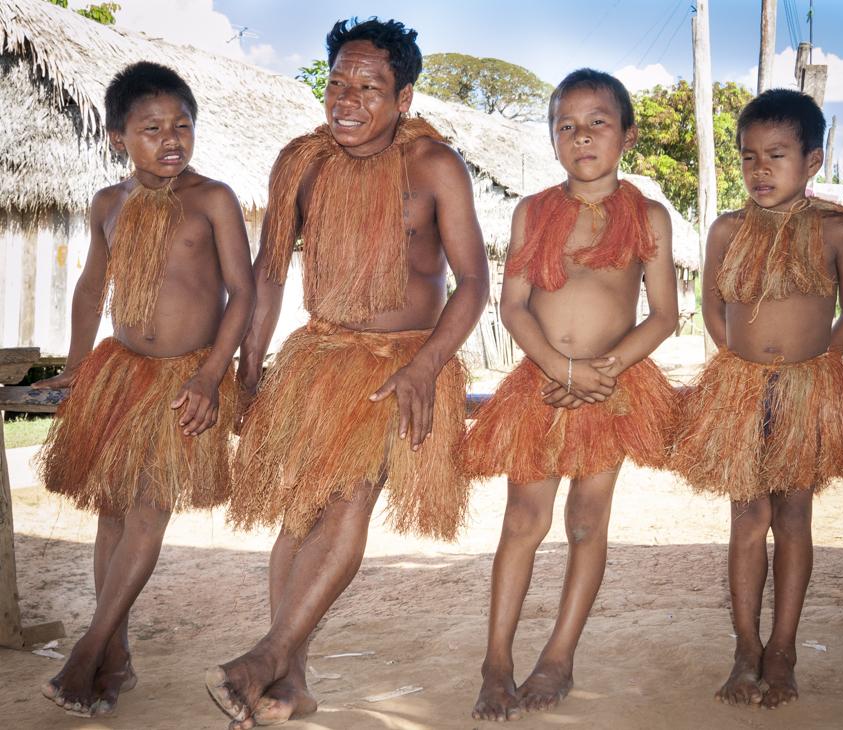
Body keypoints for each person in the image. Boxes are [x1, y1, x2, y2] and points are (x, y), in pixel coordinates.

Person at [205, 18, 488, 727]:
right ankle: (290, 680)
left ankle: (267, 657)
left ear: (405, 97)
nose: (348, 100)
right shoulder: (300, 163)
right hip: (317, 358)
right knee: (299, 517)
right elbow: (268, 279)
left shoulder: (434, 167)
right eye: (337, 83)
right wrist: (248, 368)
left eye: (369, 87)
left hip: (401, 365)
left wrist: (426, 368)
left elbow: (475, 283)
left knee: (349, 499)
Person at [35, 61, 254, 716]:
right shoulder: (107, 204)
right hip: (122, 373)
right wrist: (77, 368)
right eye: (152, 128)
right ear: (117, 138)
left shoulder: (212, 198)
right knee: (110, 511)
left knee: (149, 508)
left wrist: (213, 375)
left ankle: (89, 650)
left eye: (182, 126)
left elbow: (242, 293)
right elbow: (91, 289)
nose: (171, 140)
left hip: (188, 378)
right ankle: (118, 654)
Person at [670, 88, 843, 709]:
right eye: (747, 157)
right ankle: (745, 648)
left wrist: (824, 365)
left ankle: (783, 650)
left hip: (806, 390)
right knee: (748, 519)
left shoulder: (834, 229)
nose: (760, 169)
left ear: (814, 160)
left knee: (793, 518)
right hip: (741, 391)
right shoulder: (727, 229)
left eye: (776, 155)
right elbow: (712, 305)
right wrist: (736, 365)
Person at [463, 69, 678, 722]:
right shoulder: (534, 211)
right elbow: (514, 304)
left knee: (588, 522)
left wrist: (600, 371)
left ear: (628, 135)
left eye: (597, 123)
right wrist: (560, 366)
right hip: (542, 382)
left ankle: (559, 654)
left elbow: (663, 315)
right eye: (566, 125)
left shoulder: (649, 217)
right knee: (524, 520)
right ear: (553, 137)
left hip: (612, 388)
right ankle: (495, 660)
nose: (581, 136)